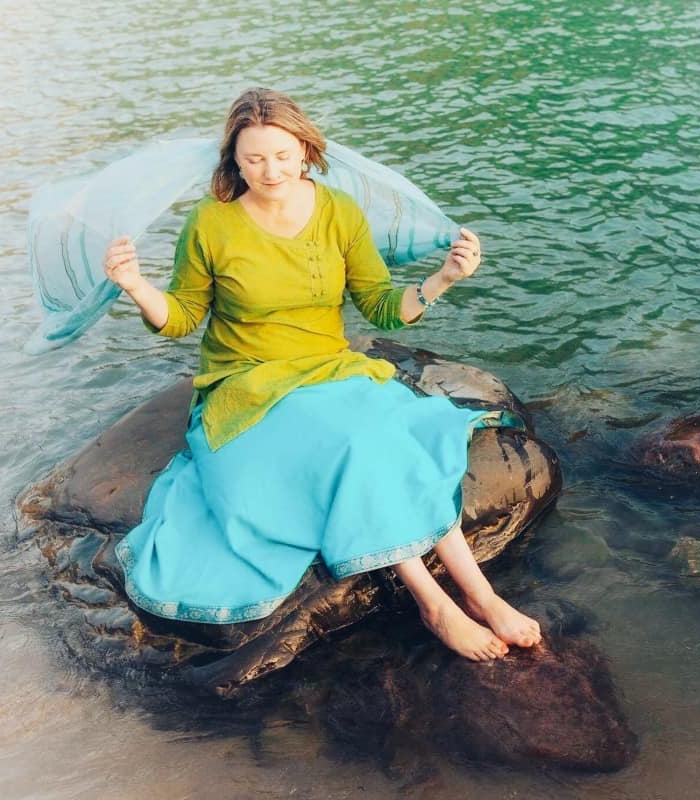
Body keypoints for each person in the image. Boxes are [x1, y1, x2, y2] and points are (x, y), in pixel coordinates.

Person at [102, 87, 540, 662]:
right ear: (233, 160)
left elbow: (381, 306)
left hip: (329, 368)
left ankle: (482, 595)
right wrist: (137, 287)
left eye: (283, 156)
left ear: (305, 151)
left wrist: (443, 281)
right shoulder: (211, 223)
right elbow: (182, 318)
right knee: (354, 446)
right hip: (247, 383)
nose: (270, 170)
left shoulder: (336, 211)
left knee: (395, 434)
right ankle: (434, 605)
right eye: (254, 158)